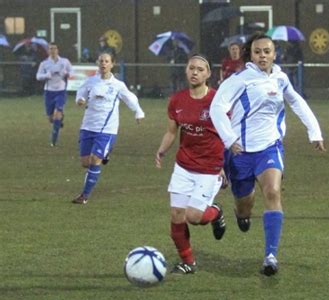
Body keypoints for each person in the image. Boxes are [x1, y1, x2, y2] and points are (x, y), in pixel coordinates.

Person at [209, 33, 326, 276]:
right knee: (244, 206)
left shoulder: (281, 78)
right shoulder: (239, 79)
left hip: (270, 148)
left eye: (267, 51)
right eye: (258, 51)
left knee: (272, 192)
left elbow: (296, 101)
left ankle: (270, 256)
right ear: (250, 55)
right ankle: (242, 216)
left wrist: (314, 131)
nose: (263, 55)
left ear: (274, 54)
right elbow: (217, 107)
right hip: (240, 151)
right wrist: (229, 140)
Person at [155, 54, 226, 274]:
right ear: (186, 71)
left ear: (208, 74)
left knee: (194, 217)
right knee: (177, 215)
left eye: (200, 69)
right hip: (184, 166)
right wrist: (162, 150)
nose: (194, 72)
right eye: (191, 68)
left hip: (210, 167)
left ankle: (215, 212)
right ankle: (188, 262)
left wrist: (227, 165)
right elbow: (171, 131)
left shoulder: (218, 100)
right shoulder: (177, 100)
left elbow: (228, 133)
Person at [72, 52, 145, 204]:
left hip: (107, 130)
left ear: (112, 64)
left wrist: (138, 112)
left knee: (94, 159)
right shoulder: (91, 81)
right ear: (98, 63)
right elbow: (81, 92)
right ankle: (105, 154)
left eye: (107, 61)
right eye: (101, 61)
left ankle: (84, 196)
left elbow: (131, 98)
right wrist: (80, 99)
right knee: (85, 163)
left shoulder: (118, 85)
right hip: (88, 126)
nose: (103, 64)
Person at [36, 42, 72, 146]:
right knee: (51, 118)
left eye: (54, 48)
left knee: (57, 114)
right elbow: (38, 76)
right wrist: (46, 75)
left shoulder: (65, 62)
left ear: (58, 50)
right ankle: (59, 120)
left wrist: (66, 74)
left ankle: (54, 139)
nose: (53, 50)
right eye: (50, 49)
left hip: (60, 91)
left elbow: (72, 72)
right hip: (49, 92)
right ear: (48, 51)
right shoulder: (44, 63)